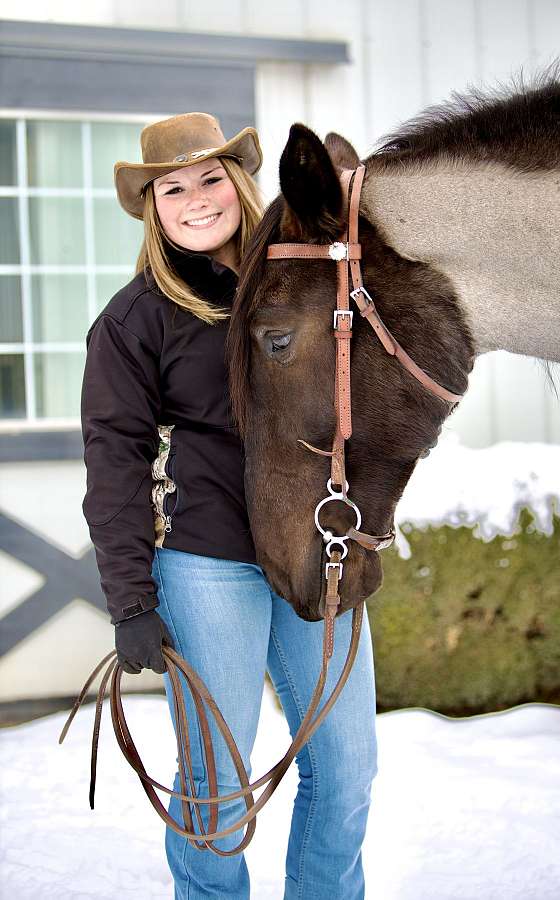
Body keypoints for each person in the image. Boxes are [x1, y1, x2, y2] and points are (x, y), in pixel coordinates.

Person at [81, 112, 378, 900]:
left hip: (319, 554)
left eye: (210, 177)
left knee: (347, 770)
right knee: (215, 784)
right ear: (153, 208)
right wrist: (131, 599)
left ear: (240, 182)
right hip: (209, 565)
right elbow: (114, 461)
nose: (196, 198)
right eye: (172, 188)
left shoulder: (311, 279)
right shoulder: (133, 320)